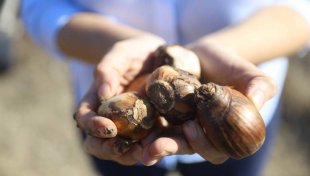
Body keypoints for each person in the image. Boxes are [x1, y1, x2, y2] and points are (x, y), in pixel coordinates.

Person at [21, 0, 310, 176]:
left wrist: (224, 50)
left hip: (243, 116)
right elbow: (38, 5)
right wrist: (114, 45)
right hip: (114, 99)